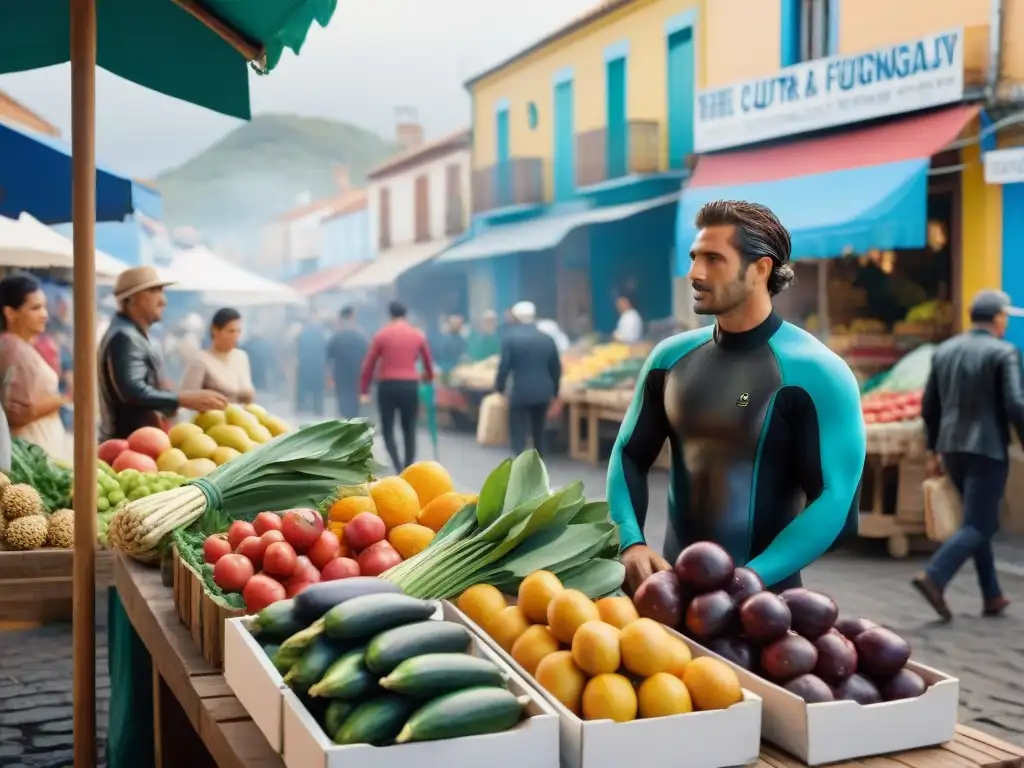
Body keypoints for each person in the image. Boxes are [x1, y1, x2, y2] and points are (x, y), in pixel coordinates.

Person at [607, 200, 865, 595]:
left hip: (765, 607)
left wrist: (749, 580)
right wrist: (631, 542)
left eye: (714, 259)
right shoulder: (670, 359)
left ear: (760, 269)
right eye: (694, 257)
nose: (694, 273)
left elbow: (837, 503)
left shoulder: (818, 372)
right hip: (670, 598)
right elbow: (628, 454)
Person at [100, 266, 227, 768]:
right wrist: (183, 398)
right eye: (155, 293)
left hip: (146, 447)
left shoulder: (131, 332)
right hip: (136, 448)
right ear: (133, 299)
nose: (162, 302)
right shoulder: (125, 337)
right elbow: (132, 391)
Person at [911, 289, 1024, 620]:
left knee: (976, 520)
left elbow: (929, 407)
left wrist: (934, 449)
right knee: (980, 522)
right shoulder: (1004, 352)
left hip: (951, 449)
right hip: (987, 450)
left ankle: (992, 595)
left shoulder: (945, 350)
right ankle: (935, 576)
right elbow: (1015, 404)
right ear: (999, 318)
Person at [0, 275, 70, 460]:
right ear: (10, 313)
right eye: (35, 308)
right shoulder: (12, 347)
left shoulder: (20, 346)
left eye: (45, 307)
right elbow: (16, 413)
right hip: (30, 452)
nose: (45, 314)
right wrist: (65, 398)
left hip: (37, 448)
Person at [360, 301, 434, 471]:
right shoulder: (417, 335)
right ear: (405, 314)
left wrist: (364, 390)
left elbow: (368, 365)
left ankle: (397, 464)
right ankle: (408, 467)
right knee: (409, 427)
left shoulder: (381, 335)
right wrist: (428, 378)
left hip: (387, 386)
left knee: (387, 428)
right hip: (410, 386)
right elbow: (428, 362)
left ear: (390, 314)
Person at [495, 301, 561, 457]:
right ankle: (539, 463)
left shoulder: (510, 339)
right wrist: (555, 392)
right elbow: (556, 368)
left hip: (520, 392)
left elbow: (504, 367)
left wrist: (499, 388)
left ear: (517, 318)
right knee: (539, 429)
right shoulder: (547, 339)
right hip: (543, 392)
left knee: (518, 430)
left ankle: (519, 460)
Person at [180, 308, 256, 404]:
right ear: (215, 330)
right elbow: (187, 399)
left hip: (244, 416)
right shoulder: (200, 361)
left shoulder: (241, 357)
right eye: (231, 331)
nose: (235, 336)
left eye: (238, 331)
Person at [327, 306, 369, 419]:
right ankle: (353, 418)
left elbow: (329, 356)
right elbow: (368, 354)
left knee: (343, 397)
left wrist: (329, 376)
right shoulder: (361, 334)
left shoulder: (337, 334)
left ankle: (346, 418)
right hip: (357, 371)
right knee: (355, 396)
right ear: (353, 316)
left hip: (340, 372)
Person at [295, 314, 328, 416]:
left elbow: (299, 348)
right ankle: (318, 409)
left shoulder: (303, 334)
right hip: (318, 366)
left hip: (305, 365)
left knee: (303, 387)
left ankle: (301, 407)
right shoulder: (321, 335)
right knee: (317, 389)